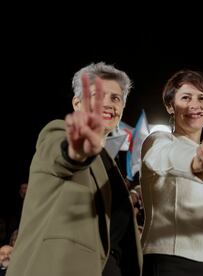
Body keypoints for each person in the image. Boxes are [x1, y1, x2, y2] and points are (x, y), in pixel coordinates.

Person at [6, 62, 142, 276]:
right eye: (97, 96)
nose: (107, 104)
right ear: (77, 103)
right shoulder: (58, 132)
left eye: (115, 98)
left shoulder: (110, 164)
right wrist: (75, 152)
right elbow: (59, 155)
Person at [140, 69, 203, 276]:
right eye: (185, 97)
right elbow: (166, 156)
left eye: (202, 98)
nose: (195, 104)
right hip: (173, 263)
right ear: (170, 106)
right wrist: (196, 164)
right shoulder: (159, 141)